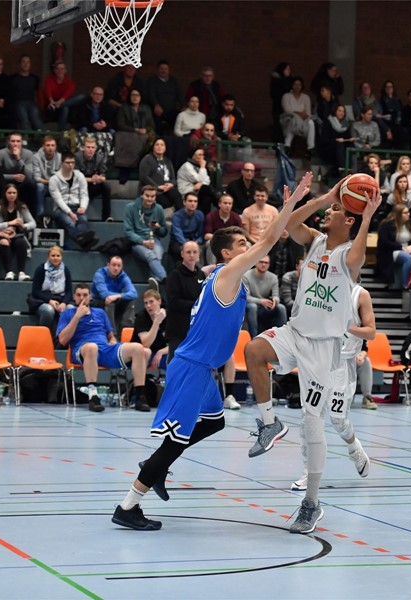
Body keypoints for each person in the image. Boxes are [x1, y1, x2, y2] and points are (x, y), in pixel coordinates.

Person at [111, 174, 308, 531]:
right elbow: (266, 241)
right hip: (191, 366)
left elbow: (246, 248)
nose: (250, 245)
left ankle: (155, 464)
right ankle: (129, 503)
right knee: (172, 445)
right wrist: (290, 205)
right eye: (241, 242)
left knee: (214, 422)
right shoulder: (228, 273)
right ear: (228, 253)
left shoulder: (218, 271)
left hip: (201, 368)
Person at [243, 176, 379, 535]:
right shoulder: (316, 241)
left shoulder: (348, 256)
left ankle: (311, 503)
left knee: (313, 421)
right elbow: (287, 223)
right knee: (253, 350)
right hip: (295, 332)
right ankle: (269, 422)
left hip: (324, 349)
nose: (329, 213)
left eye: (335, 210)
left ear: (348, 220)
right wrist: (326, 197)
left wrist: (366, 217)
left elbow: (359, 254)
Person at [290, 283, 377, 492]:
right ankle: (308, 473)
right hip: (318, 361)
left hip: (342, 365)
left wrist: (348, 328)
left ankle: (354, 448)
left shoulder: (360, 294)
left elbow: (371, 332)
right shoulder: (317, 290)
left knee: (338, 420)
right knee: (308, 417)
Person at [57, 283, 150, 413]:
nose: (82, 298)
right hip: (83, 350)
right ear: (74, 296)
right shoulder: (68, 313)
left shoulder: (99, 312)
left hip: (105, 349)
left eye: (85, 295)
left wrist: (112, 340)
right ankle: (93, 396)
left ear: (90, 296)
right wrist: (77, 316)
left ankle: (140, 396)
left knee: (138, 348)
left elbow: (110, 335)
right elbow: (62, 340)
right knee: (91, 347)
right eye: (78, 295)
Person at [0, 183, 35, 280]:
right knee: (4, 243)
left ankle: (21, 272)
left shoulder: (22, 207)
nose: (12, 195)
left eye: (14, 193)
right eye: (9, 193)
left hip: (16, 235)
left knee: (21, 243)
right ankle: (8, 272)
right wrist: (10, 223)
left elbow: (33, 223)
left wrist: (23, 226)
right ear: (5, 194)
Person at [49, 152, 95, 251]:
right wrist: (69, 213)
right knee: (70, 223)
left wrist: (83, 207)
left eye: (72, 162)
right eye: (68, 162)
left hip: (76, 205)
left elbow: (84, 194)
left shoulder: (80, 176)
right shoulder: (54, 179)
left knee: (83, 220)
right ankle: (83, 241)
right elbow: (58, 199)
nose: (70, 165)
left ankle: (83, 242)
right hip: (60, 209)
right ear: (62, 163)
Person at [124, 185, 169, 286]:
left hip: (154, 240)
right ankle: (164, 278)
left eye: (152, 196)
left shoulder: (159, 209)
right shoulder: (130, 208)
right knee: (151, 255)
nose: (150, 199)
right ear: (142, 196)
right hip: (137, 242)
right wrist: (143, 242)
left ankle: (155, 281)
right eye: (147, 196)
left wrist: (158, 228)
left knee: (158, 254)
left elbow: (164, 232)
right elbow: (128, 231)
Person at [29, 245, 71, 332]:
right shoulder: (41, 269)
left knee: (71, 309)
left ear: (61, 257)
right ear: (48, 257)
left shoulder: (66, 271)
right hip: (43, 301)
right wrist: (49, 301)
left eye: (58, 256)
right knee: (48, 311)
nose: (55, 258)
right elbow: (35, 291)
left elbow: (69, 291)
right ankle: (42, 335)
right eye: (53, 255)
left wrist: (64, 303)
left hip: (60, 300)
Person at [242, 254, 286, 335]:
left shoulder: (273, 277)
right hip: (251, 305)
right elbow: (246, 297)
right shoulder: (246, 275)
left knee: (281, 307)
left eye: (266, 263)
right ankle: (253, 337)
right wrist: (261, 301)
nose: (264, 264)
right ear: (255, 263)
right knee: (252, 306)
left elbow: (276, 296)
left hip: (265, 306)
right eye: (261, 262)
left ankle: (283, 336)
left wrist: (274, 301)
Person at [91, 255, 138, 331]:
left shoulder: (123, 276)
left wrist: (117, 296)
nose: (116, 268)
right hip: (97, 302)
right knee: (110, 301)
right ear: (108, 265)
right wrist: (116, 297)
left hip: (114, 300)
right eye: (114, 265)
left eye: (119, 266)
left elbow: (134, 293)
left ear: (122, 267)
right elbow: (104, 294)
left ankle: (125, 330)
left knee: (130, 300)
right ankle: (112, 334)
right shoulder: (100, 274)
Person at [75, 136, 111, 222]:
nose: (90, 150)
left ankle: (106, 217)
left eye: (92, 147)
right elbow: (74, 177)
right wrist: (90, 179)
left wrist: (100, 178)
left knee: (106, 186)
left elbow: (104, 176)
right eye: (88, 147)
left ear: (95, 148)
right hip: (79, 187)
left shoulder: (100, 157)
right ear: (83, 148)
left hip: (93, 186)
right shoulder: (77, 157)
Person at [131, 289, 168, 372]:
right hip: (142, 354)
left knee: (177, 361)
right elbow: (146, 344)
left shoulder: (169, 316)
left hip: (160, 353)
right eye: (146, 303)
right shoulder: (141, 317)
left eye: (151, 302)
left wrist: (161, 352)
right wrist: (156, 322)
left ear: (159, 301)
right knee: (146, 353)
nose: (148, 306)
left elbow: (177, 343)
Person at [169, 192, 204, 260]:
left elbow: (201, 233)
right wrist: (188, 244)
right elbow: (177, 234)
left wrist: (197, 241)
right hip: (178, 241)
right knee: (181, 251)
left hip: (194, 240)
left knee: (200, 250)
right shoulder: (176, 216)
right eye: (190, 201)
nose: (193, 203)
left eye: (195, 201)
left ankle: (198, 270)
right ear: (184, 202)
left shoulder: (200, 215)